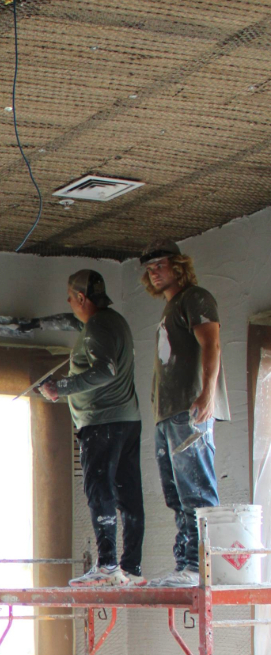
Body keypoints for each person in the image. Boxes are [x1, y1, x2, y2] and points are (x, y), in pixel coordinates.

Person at [37, 269, 145, 586]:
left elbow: (106, 370)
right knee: (128, 494)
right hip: (127, 421)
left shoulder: (97, 326)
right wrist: (32, 325)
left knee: (101, 491)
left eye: (72, 299)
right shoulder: (112, 322)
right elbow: (71, 322)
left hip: (102, 423)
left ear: (82, 298)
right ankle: (132, 569)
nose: (70, 304)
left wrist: (61, 387)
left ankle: (108, 566)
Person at [139, 239, 228, 586]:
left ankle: (199, 567)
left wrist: (206, 395)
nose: (154, 272)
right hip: (168, 413)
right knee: (177, 495)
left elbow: (212, 344)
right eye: (150, 268)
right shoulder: (171, 307)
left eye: (160, 264)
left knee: (196, 490)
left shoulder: (196, 298)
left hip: (189, 409)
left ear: (178, 265)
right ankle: (186, 565)